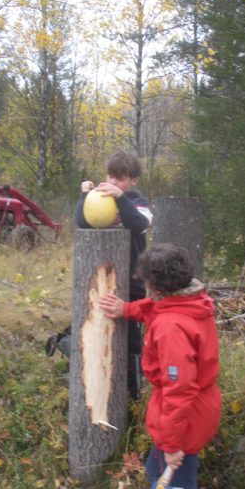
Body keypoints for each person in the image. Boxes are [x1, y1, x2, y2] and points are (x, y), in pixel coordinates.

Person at [99, 243, 228, 489]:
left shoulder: (171, 329)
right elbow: (155, 310)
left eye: (145, 280)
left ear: (154, 285)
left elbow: (179, 390)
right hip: (194, 410)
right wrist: (126, 309)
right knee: (158, 476)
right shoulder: (190, 301)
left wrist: (172, 445)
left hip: (186, 416)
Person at [75, 149, 153, 400]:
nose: (111, 183)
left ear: (133, 181)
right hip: (103, 281)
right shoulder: (102, 200)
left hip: (131, 283)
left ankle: (132, 392)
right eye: (109, 177)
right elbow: (83, 222)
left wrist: (121, 198)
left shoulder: (139, 204)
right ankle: (104, 386)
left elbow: (139, 223)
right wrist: (84, 196)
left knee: (128, 338)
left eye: (119, 179)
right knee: (101, 332)